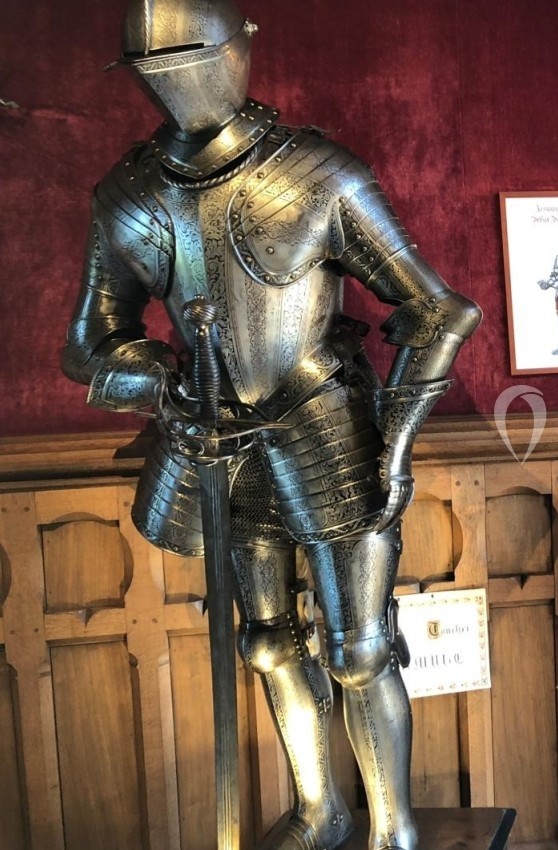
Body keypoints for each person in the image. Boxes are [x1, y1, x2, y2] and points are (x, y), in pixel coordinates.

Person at [60, 2, 480, 849]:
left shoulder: (317, 174)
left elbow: (438, 310)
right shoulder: (131, 191)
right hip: (216, 439)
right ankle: (322, 812)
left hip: (327, 429)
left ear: (235, 49)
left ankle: (392, 829)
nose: (173, 73)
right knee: (265, 642)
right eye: (155, 61)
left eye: (186, 53)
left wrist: (393, 448)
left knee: (359, 651)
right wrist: (154, 377)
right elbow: (89, 343)